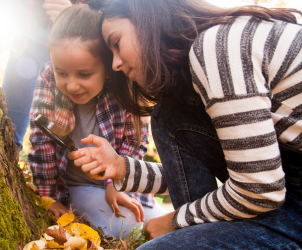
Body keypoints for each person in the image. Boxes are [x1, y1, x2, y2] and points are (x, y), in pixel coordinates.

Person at [69, 0, 302, 248]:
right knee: (169, 115)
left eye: (117, 43)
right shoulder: (216, 52)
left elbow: (258, 190)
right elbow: (203, 173)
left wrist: (177, 221)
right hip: (287, 185)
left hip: (285, 196)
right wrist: (121, 168)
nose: (115, 63)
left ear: (148, 20)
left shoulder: (217, 48)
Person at [28, 4, 166, 239]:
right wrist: (48, 198)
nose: (71, 85)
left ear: (108, 68)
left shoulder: (123, 89)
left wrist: (115, 185)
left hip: (117, 182)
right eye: (62, 73)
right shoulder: (48, 78)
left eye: (84, 74)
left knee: (160, 227)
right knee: (127, 230)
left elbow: (134, 142)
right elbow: (41, 143)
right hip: (74, 186)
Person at [1, 0, 87, 150]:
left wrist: (74, 17)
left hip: (78, 34)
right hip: (31, 31)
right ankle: (8, 151)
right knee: (8, 128)